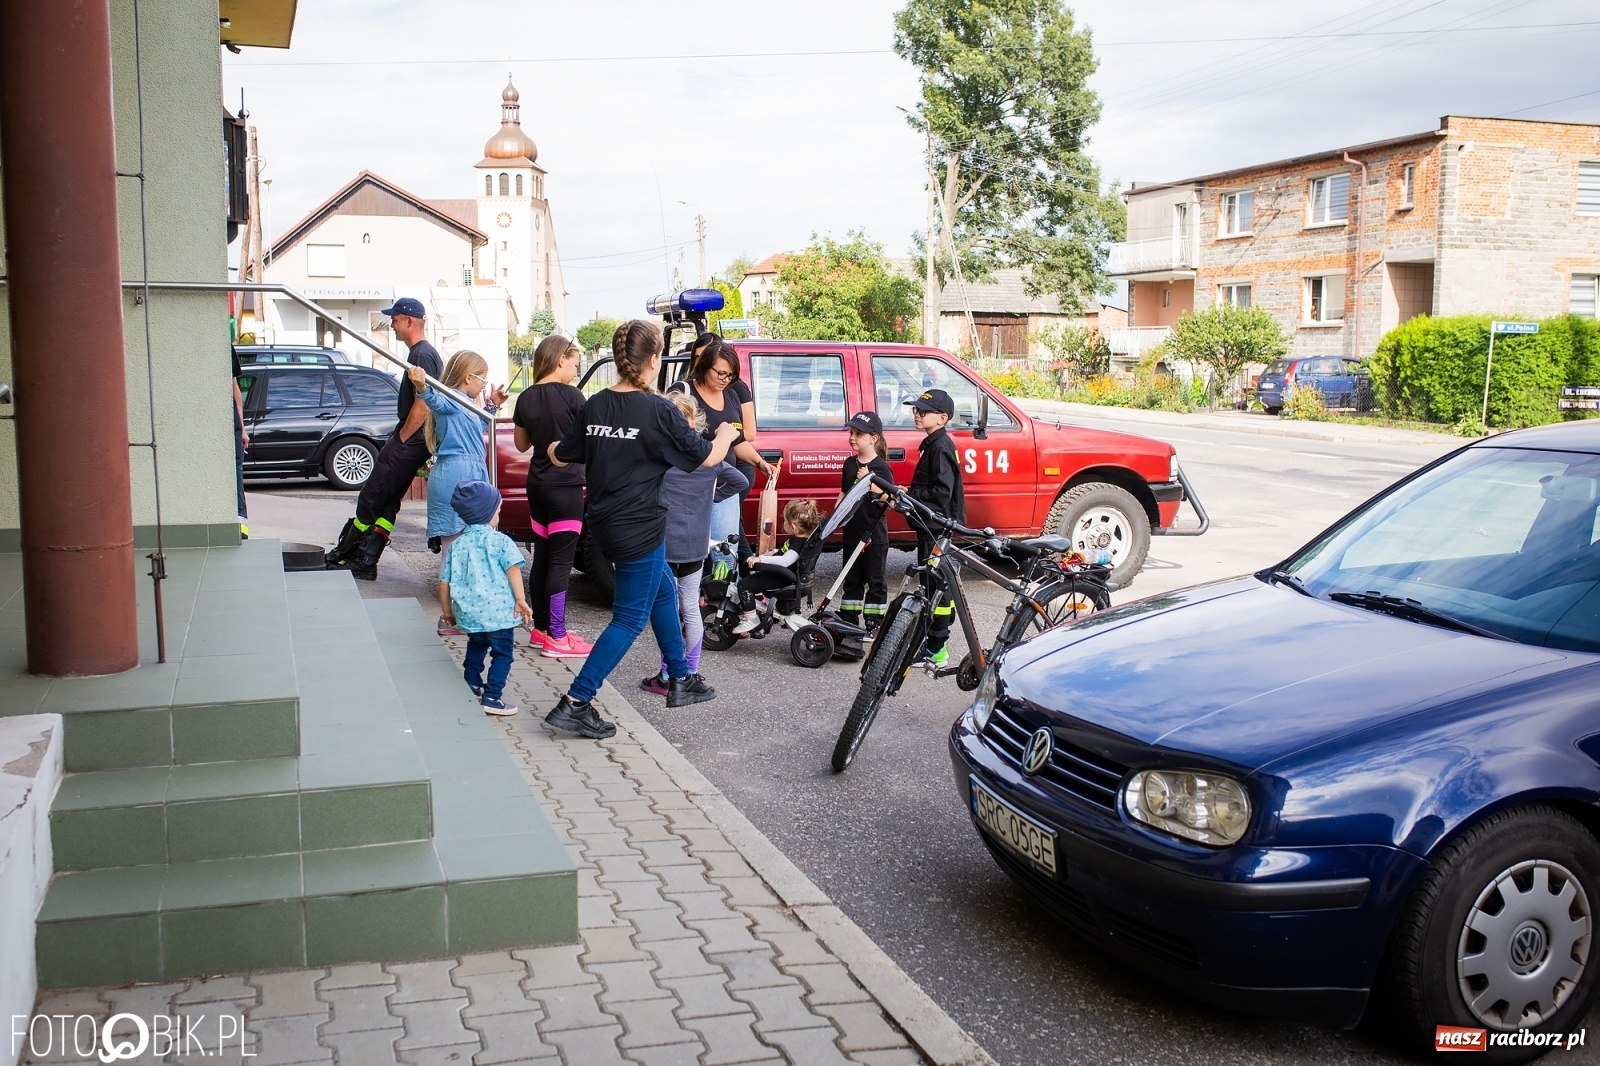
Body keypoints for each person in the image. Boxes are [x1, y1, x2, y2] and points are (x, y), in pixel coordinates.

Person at [543, 319, 739, 740]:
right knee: (629, 619)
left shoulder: (594, 405)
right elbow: (706, 458)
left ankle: (682, 679)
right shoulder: (658, 410)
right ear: (654, 359)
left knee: (664, 591)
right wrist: (725, 433)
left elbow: (563, 456)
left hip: (605, 526)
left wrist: (550, 447)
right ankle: (576, 701)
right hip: (641, 527)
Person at [326, 297, 442, 580]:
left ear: (409, 321)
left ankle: (346, 553)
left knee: (372, 495)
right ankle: (366, 560)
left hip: (411, 438)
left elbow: (424, 403)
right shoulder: (420, 353)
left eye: (395, 319)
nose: (392, 325)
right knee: (387, 500)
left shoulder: (422, 355)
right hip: (415, 439)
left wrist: (401, 438)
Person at [642, 393, 748, 696]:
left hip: (663, 545)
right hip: (695, 546)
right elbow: (740, 482)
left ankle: (667, 673)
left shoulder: (660, 459)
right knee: (690, 607)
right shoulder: (708, 460)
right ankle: (690, 670)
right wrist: (710, 496)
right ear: (695, 424)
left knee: (667, 610)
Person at [409, 351, 507, 635]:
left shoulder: (465, 403)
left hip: (464, 473)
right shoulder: (450, 398)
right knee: (455, 550)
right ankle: (450, 617)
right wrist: (422, 386)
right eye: (483, 379)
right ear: (469, 377)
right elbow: (434, 400)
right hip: (458, 475)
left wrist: (491, 406)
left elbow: (476, 426)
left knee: (466, 548)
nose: (484, 385)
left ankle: (463, 614)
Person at [512, 335, 593, 658]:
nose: (575, 370)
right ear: (560, 360)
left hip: (538, 485)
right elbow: (590, 440)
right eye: (574, 364)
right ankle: (558, 637)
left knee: (543, 557)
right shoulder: (574, 397)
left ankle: (541, 630)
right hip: (566, 486)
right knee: (561, 561)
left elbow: (521, 445)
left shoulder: (526, 398)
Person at [668, 338, 775, 560]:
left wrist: (760, 463)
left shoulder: (732, 394)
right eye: (721, 374)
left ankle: (722, 594)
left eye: (731, 376)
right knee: (688, 555)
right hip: (690, 488)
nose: (726, 380)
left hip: (724, 485)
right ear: (705, 366)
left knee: (726, 554)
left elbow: (737, 441)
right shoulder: (684, 391)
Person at [437, 480, 532, 716]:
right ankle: (492, 697)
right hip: (499, 614)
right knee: (502, 654)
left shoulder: (457, 545)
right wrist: (520, 600)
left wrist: (447, 611)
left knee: (476, 646)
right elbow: (513, 570)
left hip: (470, 613)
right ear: (488, 513)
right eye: (498, 509)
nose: (499, 513)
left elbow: (444, 582)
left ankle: (471, 684)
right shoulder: (500, 542)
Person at [905, 388, 966, 665]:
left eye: (923, 411)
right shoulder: (933, 444)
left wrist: (912, 497)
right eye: (916, 410)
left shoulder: (940, 447)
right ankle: (933, 641)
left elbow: (942, 493)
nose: (917, 414)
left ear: (942, 418)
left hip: (937, 529)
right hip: (930, 527)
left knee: (936, 586)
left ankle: (937, 649)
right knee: (934, 584)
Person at [731, 499, 824, 635]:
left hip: (784, 577)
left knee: (745, 585)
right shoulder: (798, 539)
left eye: (785, 521)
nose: (783, 524)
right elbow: (785, 552)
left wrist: (760, 559)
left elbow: (785, 560)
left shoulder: (799, 544)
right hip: (784, 574)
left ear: (793, 527)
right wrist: (773, 552)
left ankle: (751, 618)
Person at [837, 411, 893, 635]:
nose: (852, 437)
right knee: (851, 578)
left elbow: (889, 499)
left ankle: (874, 623)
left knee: (875, 580)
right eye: (851, 432)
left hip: (873, 536)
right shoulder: (849, 464)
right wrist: (835, 515)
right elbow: (843, 492)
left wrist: (870, 483)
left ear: (873, 438)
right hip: (852, 532)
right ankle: (849, 619)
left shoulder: (881, 469)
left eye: (859, 434)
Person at [231, 345, 249, 539]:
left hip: (232, 422)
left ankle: (242, 530)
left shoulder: (226, 348)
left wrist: (242, 428)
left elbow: (233, 386)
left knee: (236, 476)